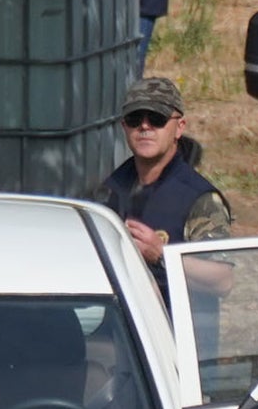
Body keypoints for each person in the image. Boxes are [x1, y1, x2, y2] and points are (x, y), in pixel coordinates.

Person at [93, 74, 231, 296]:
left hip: (174, 326)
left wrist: (161, 254)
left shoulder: (199, 198)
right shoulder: (110, 189)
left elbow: (222, 281)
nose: (145, 126)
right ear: (124, 126)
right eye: (135, 119)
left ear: (179, 127)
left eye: (157, 119)